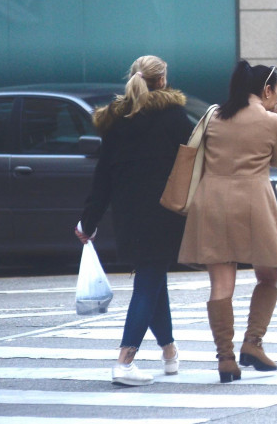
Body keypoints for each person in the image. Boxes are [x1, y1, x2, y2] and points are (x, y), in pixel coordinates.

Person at [76, 55, 193, 386]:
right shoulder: (173, 116)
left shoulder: (117, 120)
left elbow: (104, 176)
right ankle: (124, 361)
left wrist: (89, 221)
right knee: (148, 283)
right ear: (162, 80)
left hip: (128, 216)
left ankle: (169, 352)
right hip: (164, 213)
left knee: (153, 279)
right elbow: (197, 157)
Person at [177, 60, 277, 383]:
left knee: (221, 287)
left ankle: (225, 358)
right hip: (254, 204)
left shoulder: (214, 116)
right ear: (267, 90)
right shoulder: (272, 120)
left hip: (212, 203)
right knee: (268, 276)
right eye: (276, 92)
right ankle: (252, 343)